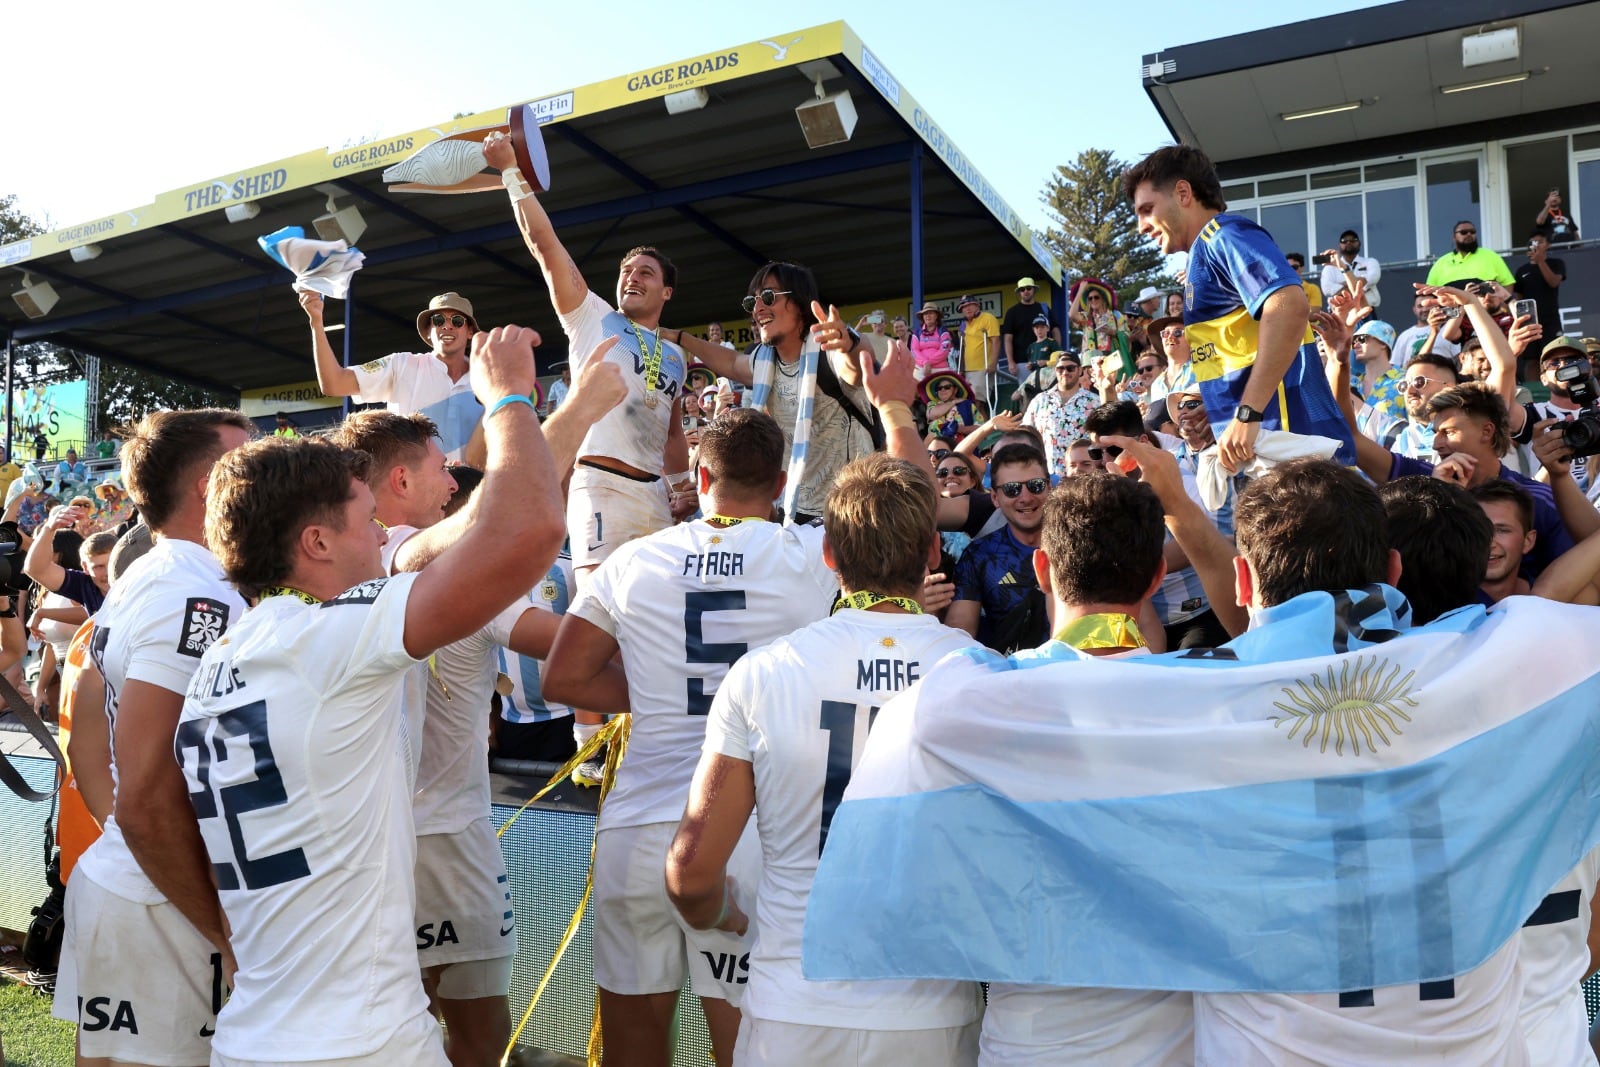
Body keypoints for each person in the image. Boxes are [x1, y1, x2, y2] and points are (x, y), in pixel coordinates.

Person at [178, 323, 564, 1067]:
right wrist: (510, 397)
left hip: (253, 1033)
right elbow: (532, 527)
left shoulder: (218, 665)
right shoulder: (328, 639)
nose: (381, 543)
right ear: (317, 543)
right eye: (366, 522)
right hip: (359, 1043)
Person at [542, 409, 841, 1067]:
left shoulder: (632, 558)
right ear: (782, 480)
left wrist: (652, 691)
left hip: (640, 825)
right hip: (746, 833)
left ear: (701, 474)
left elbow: (562, 677)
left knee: (633, 1046)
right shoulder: (810, 554)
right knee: (743, 1046)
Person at [665, 453, 983, 1067]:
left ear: (830, 554)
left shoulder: (762, 673)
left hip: (796, 1002)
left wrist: (728, 918)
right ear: (932, 553)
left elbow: (690, 875)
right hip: (931, 1010)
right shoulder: (980, 672)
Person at [51, 408, 255, 1067]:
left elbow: (87, 740)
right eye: (248, 462)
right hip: (163, 900)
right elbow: (143, 792)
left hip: (132, 883)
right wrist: (219, 928)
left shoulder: (145, 573)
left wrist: (130, 840)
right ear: (208, 486)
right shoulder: (199, 593)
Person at [1123, 144, 1353, 472]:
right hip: (1276, 457)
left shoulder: (1224, 236)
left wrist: (1247, 412)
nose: (1142, 226)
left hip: (1295, 461)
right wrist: (1221, 409)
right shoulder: (1204, 254)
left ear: (1183, 193)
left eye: (1147, 209)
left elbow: (1288, 306)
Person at [732, 262, 882, 524]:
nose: (757, 309)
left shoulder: (828, 351)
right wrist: (679, 338)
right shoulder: (763, 360)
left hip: (851, 511)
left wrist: (850, 343)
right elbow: (731, 363)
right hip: (793, 511)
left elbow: (855, 368)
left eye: (768, 296)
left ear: (800, 302)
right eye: (751, 301)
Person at [302, 289, 493, 461]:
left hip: (474, 492)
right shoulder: (400, 364)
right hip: (413, 494)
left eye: (457, 321)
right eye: (439, 320)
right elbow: (334, 384)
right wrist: (316, 322)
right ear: (428, 331)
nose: (447, 326)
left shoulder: (491, 379)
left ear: (470, 332)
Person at [947, 443, 1050, 652]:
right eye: (1012, 489)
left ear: (1049, 487)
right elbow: (959, 639)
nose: (1026, 497)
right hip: (1009, 675)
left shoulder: (1078, 542)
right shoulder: (979, 556)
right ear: (995, 497)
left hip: (1074, 672)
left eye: (1036, 485)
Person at [1021, 352, 1095, 480]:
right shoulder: (1040, 401)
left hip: (1083, 478)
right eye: (1060, 368)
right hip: (1048, 478)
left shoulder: (1094, 401)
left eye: (1070, 368)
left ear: (1080, 371)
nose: (1065, 372)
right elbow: (1026, 435)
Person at [1513, 231, 1566, 358]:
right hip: (1530, 321)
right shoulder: (1522, 271)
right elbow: (1519, 299)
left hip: (1550, 319)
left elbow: (1554, 282)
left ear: (1548, 245)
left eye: (1540, 242)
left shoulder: (1556, 263)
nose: (1536, 245)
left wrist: (1540, 261)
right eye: (1532, 243)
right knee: (1531, 358)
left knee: (1554, 354)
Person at [1424, 220, 1514, 289]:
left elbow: (1508, 283)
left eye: (1472, 232)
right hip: (1453, 311)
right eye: (1464, 232)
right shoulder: (1441, 263)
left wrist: (1503, 306)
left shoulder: (1491, 255)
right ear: (1454, 237)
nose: (1469, 234)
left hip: (1485, 311)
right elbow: (1430, 292)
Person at [1001, 278, 1057, 375]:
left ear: (1034, 290)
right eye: (1022, 289)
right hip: (1022, 362)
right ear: (1019, 293)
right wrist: (1010, 362)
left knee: (1047, 390)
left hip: (1045, 360)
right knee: (1026, 390)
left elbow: (1055, 330)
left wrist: (1056, 354)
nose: (1025, 291)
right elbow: (1008, 339)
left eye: (1028, 288)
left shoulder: (1044, 308)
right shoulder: (1012, 312)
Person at [1318, 229, 1383, 309]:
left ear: (1359, 243)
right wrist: (1359, 284)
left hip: (1366, 310)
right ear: (1339, 245)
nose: (1348, 242)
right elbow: (1327, 290)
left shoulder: (1371, 262)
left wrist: (1343, 285)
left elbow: (1373, 278)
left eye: (1353, 240)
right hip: (1340, 312)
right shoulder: (1329, 267)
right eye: (1344, 241)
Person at [956, 294, 1000, 408]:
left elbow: (996, 341)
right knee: (967, 404)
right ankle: (977, 425)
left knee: (977, 403)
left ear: (977, 306)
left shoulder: (988, 318)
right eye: (964, 307)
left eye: (970, 305)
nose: (967, 308)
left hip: (982, 368)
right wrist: (960, 368)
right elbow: (962, 347)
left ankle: (985, 425)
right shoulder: (963, 325)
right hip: (967, 370)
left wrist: (993, 363)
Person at [921, 371, 980, 442]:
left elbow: (979, 428)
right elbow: (932, 415)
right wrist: (953, 402)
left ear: (955, 390)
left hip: (961, 445)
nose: (942, 390)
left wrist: (959, 429)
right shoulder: (933, 404)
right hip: (936, 445)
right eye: (939, 388)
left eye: (947, 387)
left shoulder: (968, 404)